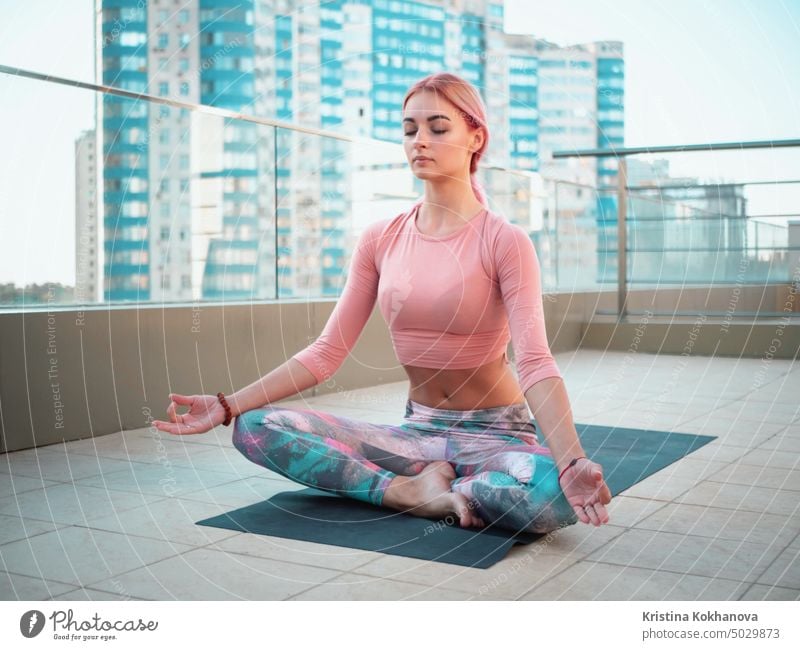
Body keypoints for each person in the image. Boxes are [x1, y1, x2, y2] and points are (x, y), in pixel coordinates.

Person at [152, 71, 612, 533]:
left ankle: (457, 487)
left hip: (497, 434)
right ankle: (408, 492)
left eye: (437, 127)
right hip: (416, 435)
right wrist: (226, 405)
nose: (420, 141)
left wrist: (572, 462)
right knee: (255, 428)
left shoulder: (506, 241)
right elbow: (326, 352)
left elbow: (534, 361)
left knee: (552, 494)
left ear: (476, 137)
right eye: (410, 129)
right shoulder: (380, 238)